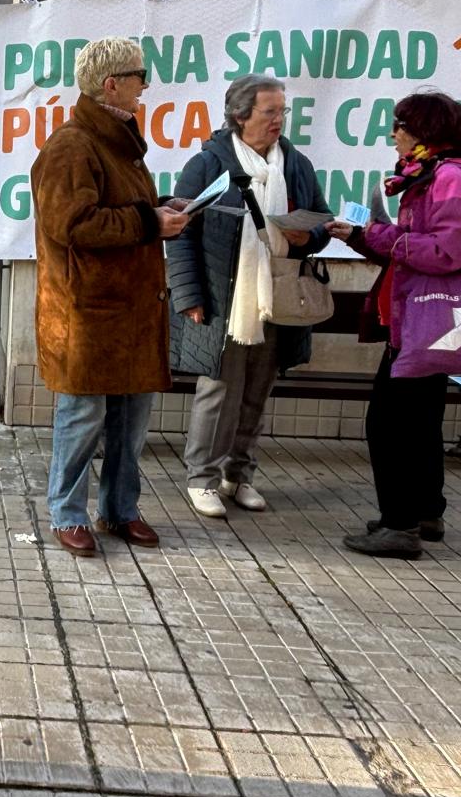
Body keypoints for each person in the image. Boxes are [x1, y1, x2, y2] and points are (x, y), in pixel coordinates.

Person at [326, 92, 461, 558]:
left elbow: (448, 251)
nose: (393, 135)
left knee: (390, 424)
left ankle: (398, 525)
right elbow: (411, 245)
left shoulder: (451, 179)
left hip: (426, 322)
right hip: (416, 318)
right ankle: (425, 511)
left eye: (400, 126)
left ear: (424, 132)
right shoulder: (437, 175)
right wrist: (363, 236)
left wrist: (379, 235)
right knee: (421, 421)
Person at [31, 36, 190, 557]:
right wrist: (150, 222)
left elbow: (122, 212)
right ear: (112, 83)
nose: (146, 86)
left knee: (130, 420)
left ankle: (120, 509)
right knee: (83, 418)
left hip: (131, 310)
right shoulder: (72, 145)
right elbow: (72, 223)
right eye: (140, 76)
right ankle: (67, 513)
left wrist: (161, 208)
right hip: (89, 312)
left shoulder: (118, 141)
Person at [169, 75, 331, 518]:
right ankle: (201, 478)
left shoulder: (294, 163)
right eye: (270, 112)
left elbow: (320, 221)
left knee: (258, 390)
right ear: (241, 116)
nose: (279, 120)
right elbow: (181, 233)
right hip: (224, 297)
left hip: (278, 294)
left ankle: (238, 476)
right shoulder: (207, 164)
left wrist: (309, 235)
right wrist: (189, 295)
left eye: (283, 112)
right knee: (218, 388)